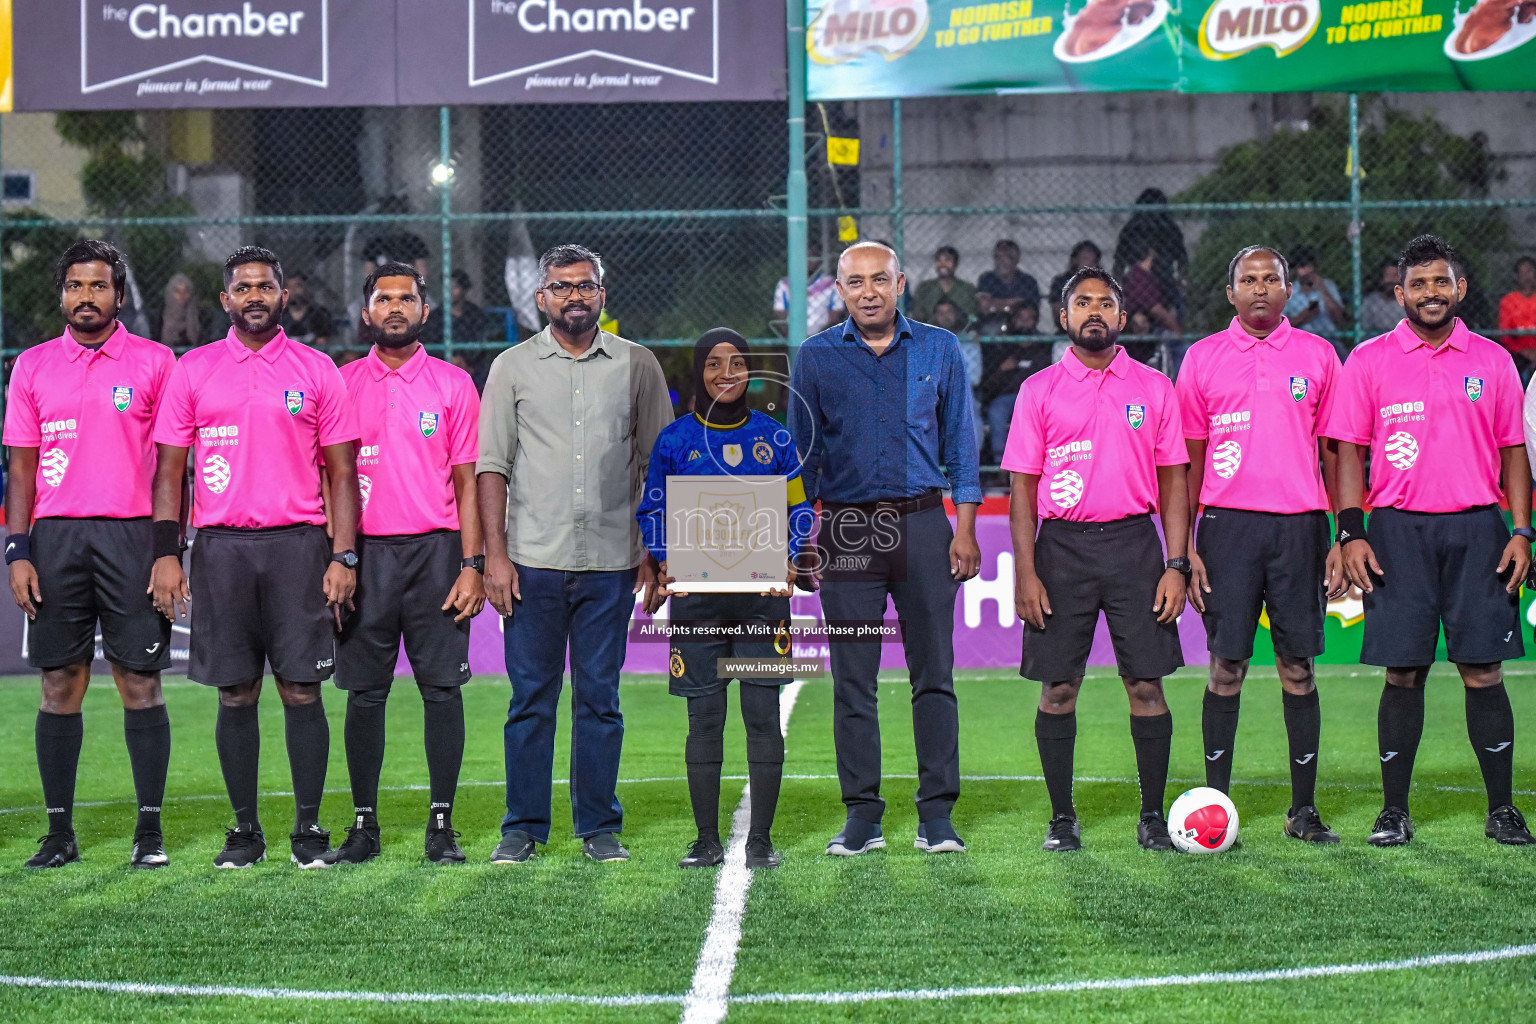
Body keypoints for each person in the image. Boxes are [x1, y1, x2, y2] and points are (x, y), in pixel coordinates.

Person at [149, 246, 362, 869]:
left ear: (282, 295)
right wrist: (168, 554)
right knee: (236, 693)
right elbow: (169, 472)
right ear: (225, 300)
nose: (254, 297)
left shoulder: (319, 370)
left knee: (302, 690)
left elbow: (343, 475)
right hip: (221, 550)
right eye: (242, 288)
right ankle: (244, 832)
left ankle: (307, 830)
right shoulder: (192, 370)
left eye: (264, 286)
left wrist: (343, 557)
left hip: (300, 546)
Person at [1325, 234, 1533, 847]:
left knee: (1483, 670)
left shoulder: (1492, 361)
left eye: (1441, 282)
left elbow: (1514, 452)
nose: (1431, 293)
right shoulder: (1368, 360)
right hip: (1396, 533)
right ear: (1400, 294)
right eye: (1418, 284)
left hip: (1477, 529)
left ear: (1460, 289)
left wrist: (1521, 530)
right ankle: (1394, 813)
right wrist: (1350, 531)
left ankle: (1502, 810)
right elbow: (1347, 453)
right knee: (1403, 674)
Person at [477, 244, 671, 865]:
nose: (574, 297)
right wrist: (495, 558)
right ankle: (524, 825)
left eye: (585, 286)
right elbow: (491, 469)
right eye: (561, 287)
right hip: (531, 560)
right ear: (542, 298)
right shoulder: (511, 367)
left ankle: (598, 825)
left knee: (599, 699)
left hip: (613, 561)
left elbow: (657, 465)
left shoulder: (637, 366)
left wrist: (654, 551)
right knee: (530, 697)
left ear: (602, 296)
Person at [789, 241, 982, 858]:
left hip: (925, 524)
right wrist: (799, 541)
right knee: (853, 681)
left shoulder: (939, 348)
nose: (868, 291)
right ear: (839, 292)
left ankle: (937, 816)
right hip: (846, 534)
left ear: (901, 284)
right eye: (855, 282)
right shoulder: (816, 357)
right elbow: (803, 458)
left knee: (935, 676)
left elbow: (961, 446)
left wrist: (967, 528)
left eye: (879, 279)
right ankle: (862, 817)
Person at [3, 240, 177, 870]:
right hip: (56, 541)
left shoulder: (157, 363)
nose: (85, 296)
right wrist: (17, 551)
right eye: (75, 285)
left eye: (98, 286)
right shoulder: (31, 367)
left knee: (139, 682)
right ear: (62, 295)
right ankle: (59, 835)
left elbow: (170, 469)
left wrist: (166, 550)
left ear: (119, 296)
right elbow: (19, 470)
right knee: (59, 683)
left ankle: (149, 832)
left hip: (132, 538)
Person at [1004, 267, 1190, 853]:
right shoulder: (1038, 390)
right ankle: (1063, 819)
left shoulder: (1155, 388)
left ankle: (1153, 816)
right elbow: (1022, 491)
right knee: (1059, 689)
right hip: (1062, 551)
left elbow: (1175, 484)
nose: (1093, 311)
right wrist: (1027, 572)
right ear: (1064, 318)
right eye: (1081, 303)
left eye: (1105, 303)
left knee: (1146, 687)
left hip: (1136, 547)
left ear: (1121, 317)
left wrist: (1177, 563)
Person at [1174, 245, 1345, 843]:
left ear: (1288, 289)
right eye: (1248, 279)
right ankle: (1214, 807)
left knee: (1298, 667)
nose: (1261, 289)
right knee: (1227, 667)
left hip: (1300, 527)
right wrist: (1187, 544)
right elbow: (1187, 457)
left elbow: (1335, 450)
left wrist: (1339, 534)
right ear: (1231, 292)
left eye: (1271, 279)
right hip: (1226, 529)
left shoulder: (1320, 355)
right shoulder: (1201, 359)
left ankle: (1303, 811)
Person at [637, 329, 816, 871]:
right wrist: (664, 555)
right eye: (714, 364)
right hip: (698, 606)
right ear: (699, 372)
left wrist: (788, 554)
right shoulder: (675, 441)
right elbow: (652, 509)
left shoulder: (775, 437)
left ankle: (760, 839)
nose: (727, 373)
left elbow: (799, 507)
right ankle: (706, 840)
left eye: (737, 362)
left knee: (762, 716)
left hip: (762, 605)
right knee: (704, 720)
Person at [331, 262, 485, 867]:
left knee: (442, 692)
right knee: (364, 695)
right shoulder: (339, 383)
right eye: (383, 299)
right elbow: (328, 478)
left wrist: (472, 563)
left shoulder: (453, 384)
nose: (395, 307)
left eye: (407, 298)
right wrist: (338, 554)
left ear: (425, 311)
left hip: (436, 554)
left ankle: (441, 825)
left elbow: (469, 484)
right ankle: (364, 824)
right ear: (366, 312)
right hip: (363, 556)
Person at [982, 304, 1048, 463]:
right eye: (1021, 318)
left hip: (1035, 398)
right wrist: (1001, 370)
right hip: (1007, 397)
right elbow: (986, 384)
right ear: (1013, 320)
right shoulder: (1001, 345)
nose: (1025, 323)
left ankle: (1035, 463)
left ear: (1036, 321)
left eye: (1029, 319)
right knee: (996, 411)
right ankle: (1001, 465)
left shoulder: (1044, 344)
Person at [1112, 188, 1188, 319]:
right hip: (1138, 282)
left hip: (1163, 281)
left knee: (1172, 310)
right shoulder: (1132, 229)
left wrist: (1181, 283)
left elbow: (1182, 260)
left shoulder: (1170, 229)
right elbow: (1119, 263)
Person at [772, 244, 844, 338]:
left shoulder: (831, 284)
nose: (807, 260)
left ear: (819, 260)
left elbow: (835, 320)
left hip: (823, 341)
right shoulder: (784, 285)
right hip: (792, 340)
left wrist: (814, 341)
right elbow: (780, 318)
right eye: (804, 256)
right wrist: (795, 339)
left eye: (812, 256)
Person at [1284, 248, 1347, 351]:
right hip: (1299, 342)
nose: (1307, 271)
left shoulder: (1327, 285)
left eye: (1309, 266)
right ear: (1296, 269)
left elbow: (1339, 319)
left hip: (1329, 341)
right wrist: (1303, 317)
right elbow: (1280, 326)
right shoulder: (1289, 290)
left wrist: (1323, 290)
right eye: (1302, 267)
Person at [975, 239, 1041, 333]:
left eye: (1008, 257)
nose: (1003, 261)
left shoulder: (1028, 281)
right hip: (992, 322)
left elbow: (1031, 312)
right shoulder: (986, 278)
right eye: (998, 257)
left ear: (1017, 259)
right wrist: (1014, 304)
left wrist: (995, 303)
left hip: (1020, 323)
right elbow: (985, 307)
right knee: (989, 331)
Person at [909, 245, 979, 324]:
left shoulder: (967, 288)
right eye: (939, 260)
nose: (943, 264)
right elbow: (917, 314)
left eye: (947, 260)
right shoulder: (924, 287)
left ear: (956, 263)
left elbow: (972, 314)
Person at [1048, 241, 1103, 332]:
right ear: (1075, 260)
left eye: (1092, 261)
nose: (1089, 265)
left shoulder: (1103, 282)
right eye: (1085, 259)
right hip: (1068, 332)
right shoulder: (1061, 281)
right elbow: (1058, 311)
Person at [1498, 256, 1536, 377]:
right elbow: (1505, 336)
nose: (1526, 276)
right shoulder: (1508, 301)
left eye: (1529, 271)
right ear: (1516, 276)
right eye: (1522, 272)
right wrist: (1524, 352)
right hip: (1519, 352)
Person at [280, 271, 335, 348]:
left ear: (307, 288)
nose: (293, 290)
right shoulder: (278, 316)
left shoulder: (320, 314)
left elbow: (323, 345)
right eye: (289, 287)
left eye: (297, 286)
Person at [1359, 261, 1403, 339]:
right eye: (1387, 275)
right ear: (1381, 278)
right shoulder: (1371, 301)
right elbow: (1364, 330)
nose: (1391, 279)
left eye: (1395, 275)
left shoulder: (1408, 301)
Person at [159, 272, 203, 347]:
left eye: (186, 291)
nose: (182, 295)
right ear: (170, 293)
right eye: (177, 291)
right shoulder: (160, 316)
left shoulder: (200, 316)